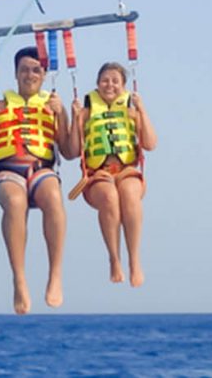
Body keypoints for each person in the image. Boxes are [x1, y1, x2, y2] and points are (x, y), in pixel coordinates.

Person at [0, 46, 76, 314]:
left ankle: (55, 275)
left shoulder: (52, 106)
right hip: (7, 172)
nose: (30, 75)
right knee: (16, 202)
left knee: (53, 195)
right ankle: (19, 279)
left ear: (44, 74)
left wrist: (63, 114)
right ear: (16, 74)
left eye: (36, 70)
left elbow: (71, 153)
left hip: (42, 170)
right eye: (25, 70)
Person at [68, 62, 157, 287]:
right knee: (109, 197)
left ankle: (134, 260)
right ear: (97, 84)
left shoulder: (131, 110)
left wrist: (141, 112)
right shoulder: (87, 111)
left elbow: (150, 144)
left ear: (123, 86)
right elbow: (70, 152)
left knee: (128, 194)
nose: (110, 85)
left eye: (116, 81)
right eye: (105, 80)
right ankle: (114, 259)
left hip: (127, 170)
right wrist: (75, 119)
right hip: (98, 174)